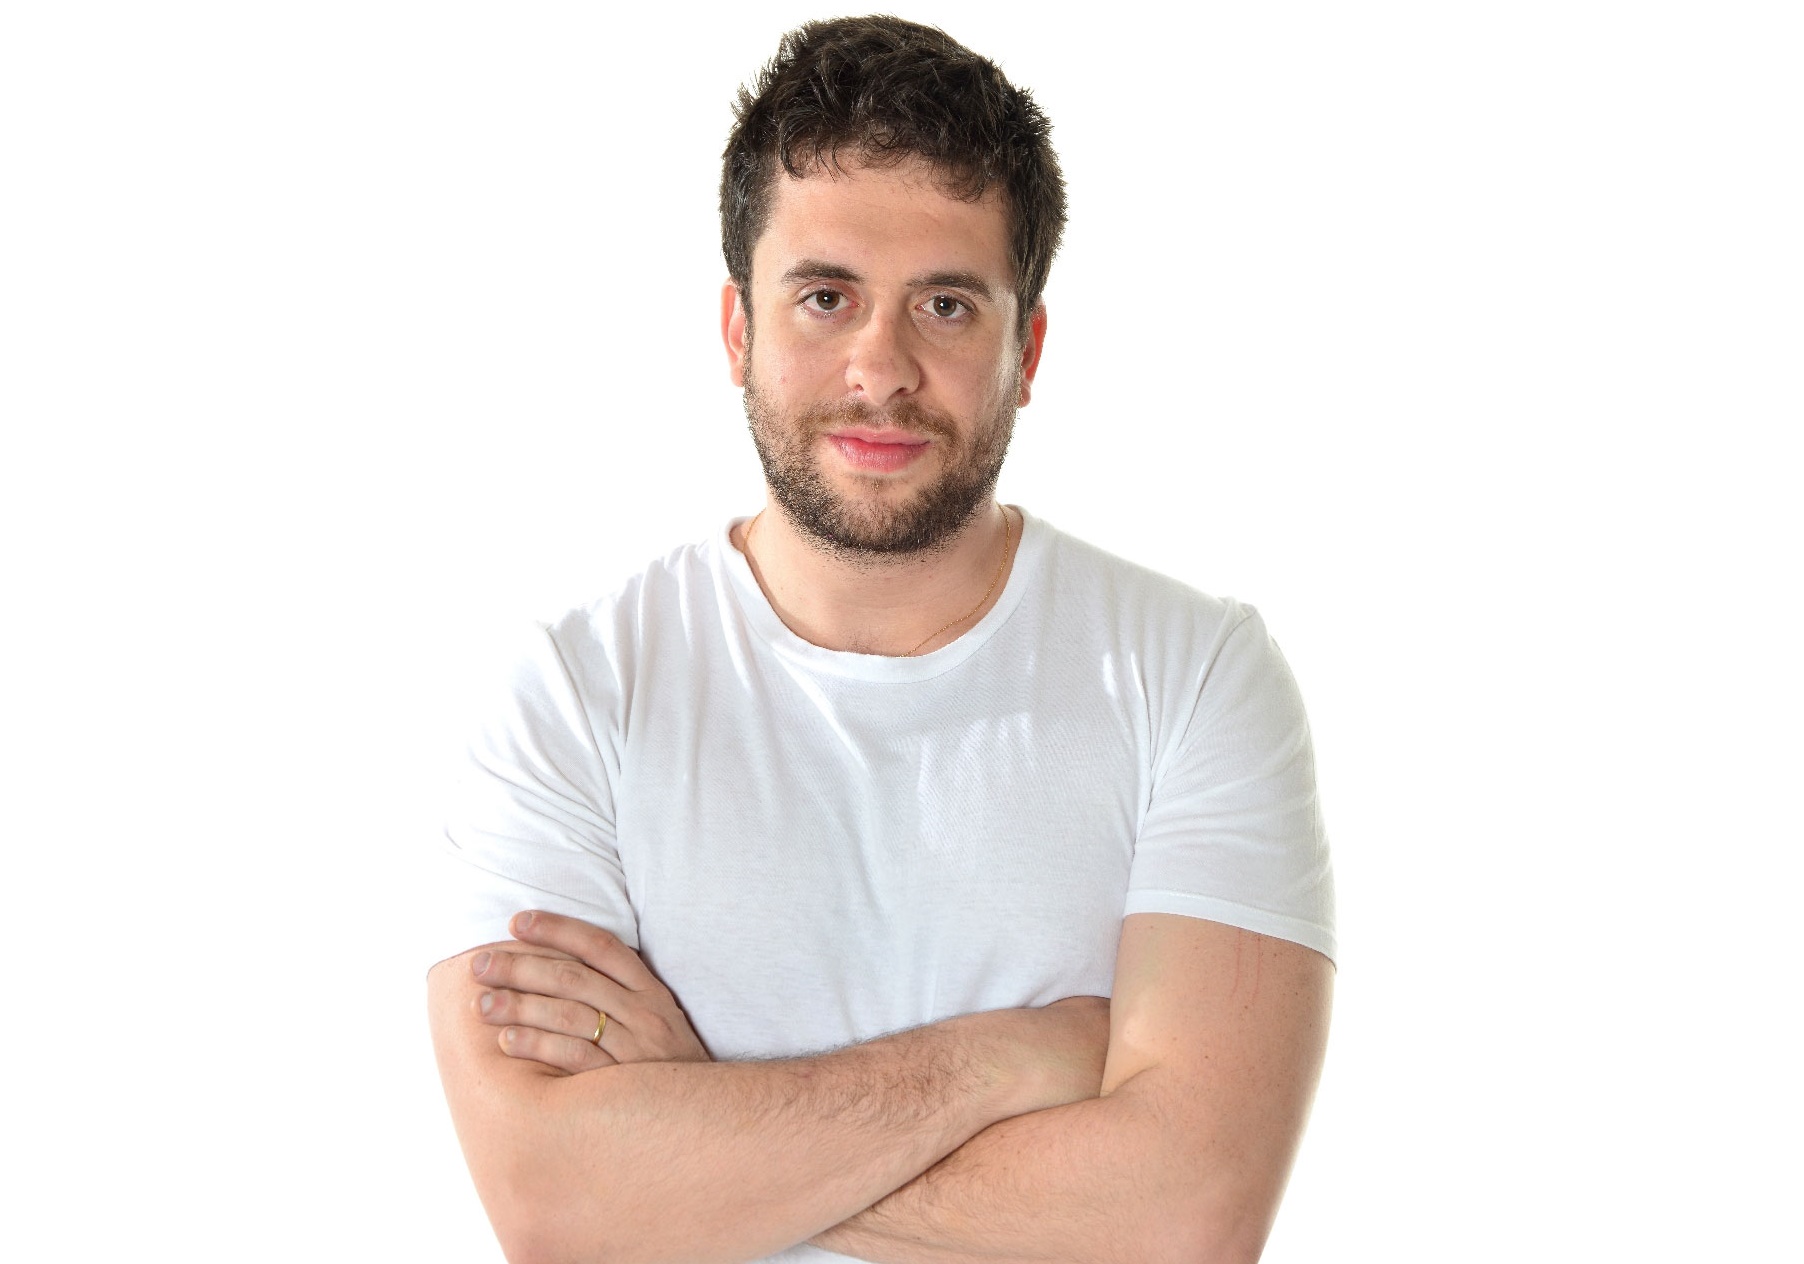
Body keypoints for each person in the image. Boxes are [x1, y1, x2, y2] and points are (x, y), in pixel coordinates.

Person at [427, 16, 1336, 1264]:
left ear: (1026, 348)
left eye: (946, 305)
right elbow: (557, 1208)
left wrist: (695, 1127)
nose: (880, 368)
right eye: (824, 297)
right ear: (738, 330)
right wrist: (1005, 1060)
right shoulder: (576, 694)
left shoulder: (1192, 674)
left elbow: (1187, 1217)